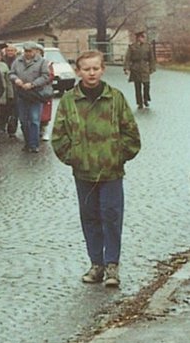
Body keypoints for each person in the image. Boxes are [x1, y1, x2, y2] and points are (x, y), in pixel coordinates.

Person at [51, 50, 141, 288]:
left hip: (111, 172)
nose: (91, 73)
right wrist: (76, 158)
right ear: (78, 71)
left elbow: (131, 134)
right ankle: (96, 264)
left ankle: (112, 265)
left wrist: (117, 157)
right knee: (90, 217)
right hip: (84, 172)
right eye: (86, 69)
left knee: (111, 217)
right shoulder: (69, 100)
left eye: (95, 68)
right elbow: (58, 137)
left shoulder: (115, 98)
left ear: (103, 69)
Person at [9, 41, 52, 153]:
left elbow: (45, 76)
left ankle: (34, 144)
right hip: (21, 94)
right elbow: (11, 73)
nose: (27, 53)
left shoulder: (42, 62)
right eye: (26, 51)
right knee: (23, 120)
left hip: (35, 94)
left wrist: (33, 84)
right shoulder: (17, 61)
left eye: (30, 51)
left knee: (34, 120)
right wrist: (16, 79)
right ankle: (27, 142)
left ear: (35, 51)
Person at [123, 30, 157, 109]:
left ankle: (146, 99)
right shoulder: (132, 47)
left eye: (144, 37)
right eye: (142, 37)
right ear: (138, 38)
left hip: (145, 67)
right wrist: (126, 68)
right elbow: (127, 58)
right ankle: (139, 102)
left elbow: (152, 58)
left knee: (147, 85)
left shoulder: (148, 46)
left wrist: (152, 67)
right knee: (137, 87)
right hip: (135, 68)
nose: (143, 39)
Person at [0, 46, 14, 138]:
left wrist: (10, 94)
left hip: (3, 93)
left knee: (3, 112)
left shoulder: (4, 65)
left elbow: (8, 81)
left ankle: (1, 128)